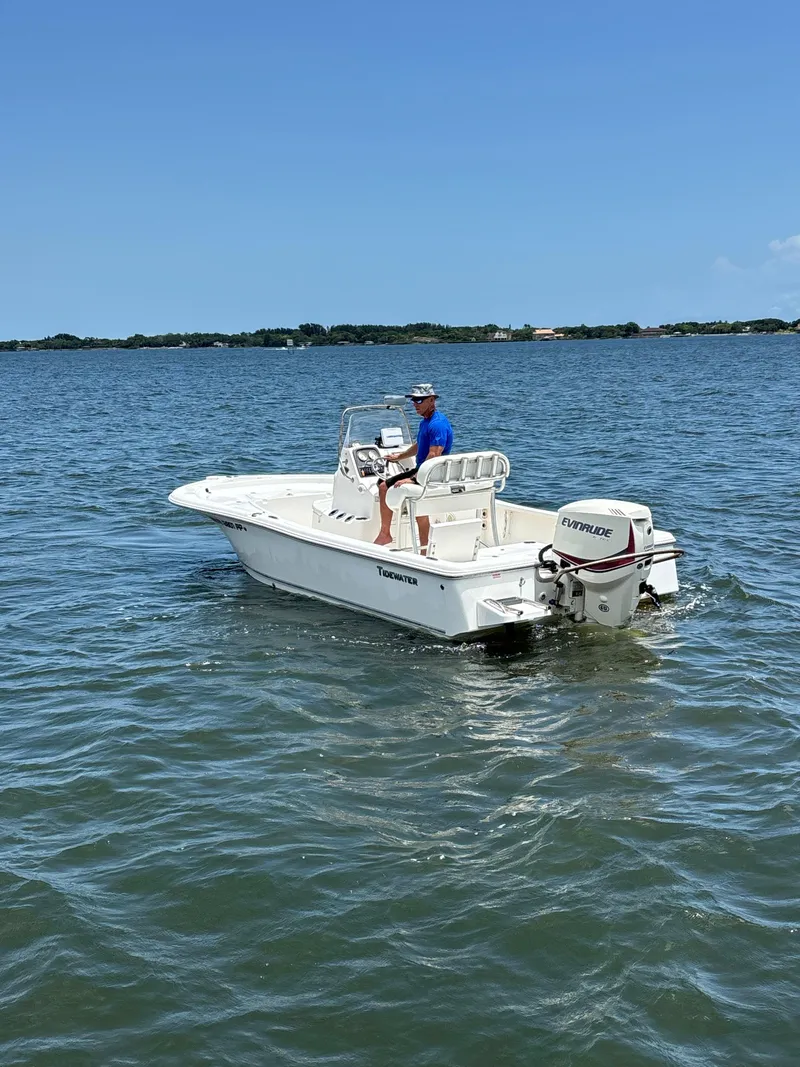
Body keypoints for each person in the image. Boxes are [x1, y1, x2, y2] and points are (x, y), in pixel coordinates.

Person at [373, 383, 454, 547]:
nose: (415, 404)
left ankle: (385, 534)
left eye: (419, 400)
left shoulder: (437, 424)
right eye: (414, 400)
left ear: (431, 400)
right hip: (430, 470)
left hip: (430, 472)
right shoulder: (426, 422)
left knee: (383, 486)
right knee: (420, 512)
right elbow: (420, 445)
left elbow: (434, 454)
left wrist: (414, 479)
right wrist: (400, 457)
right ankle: (424, 550)